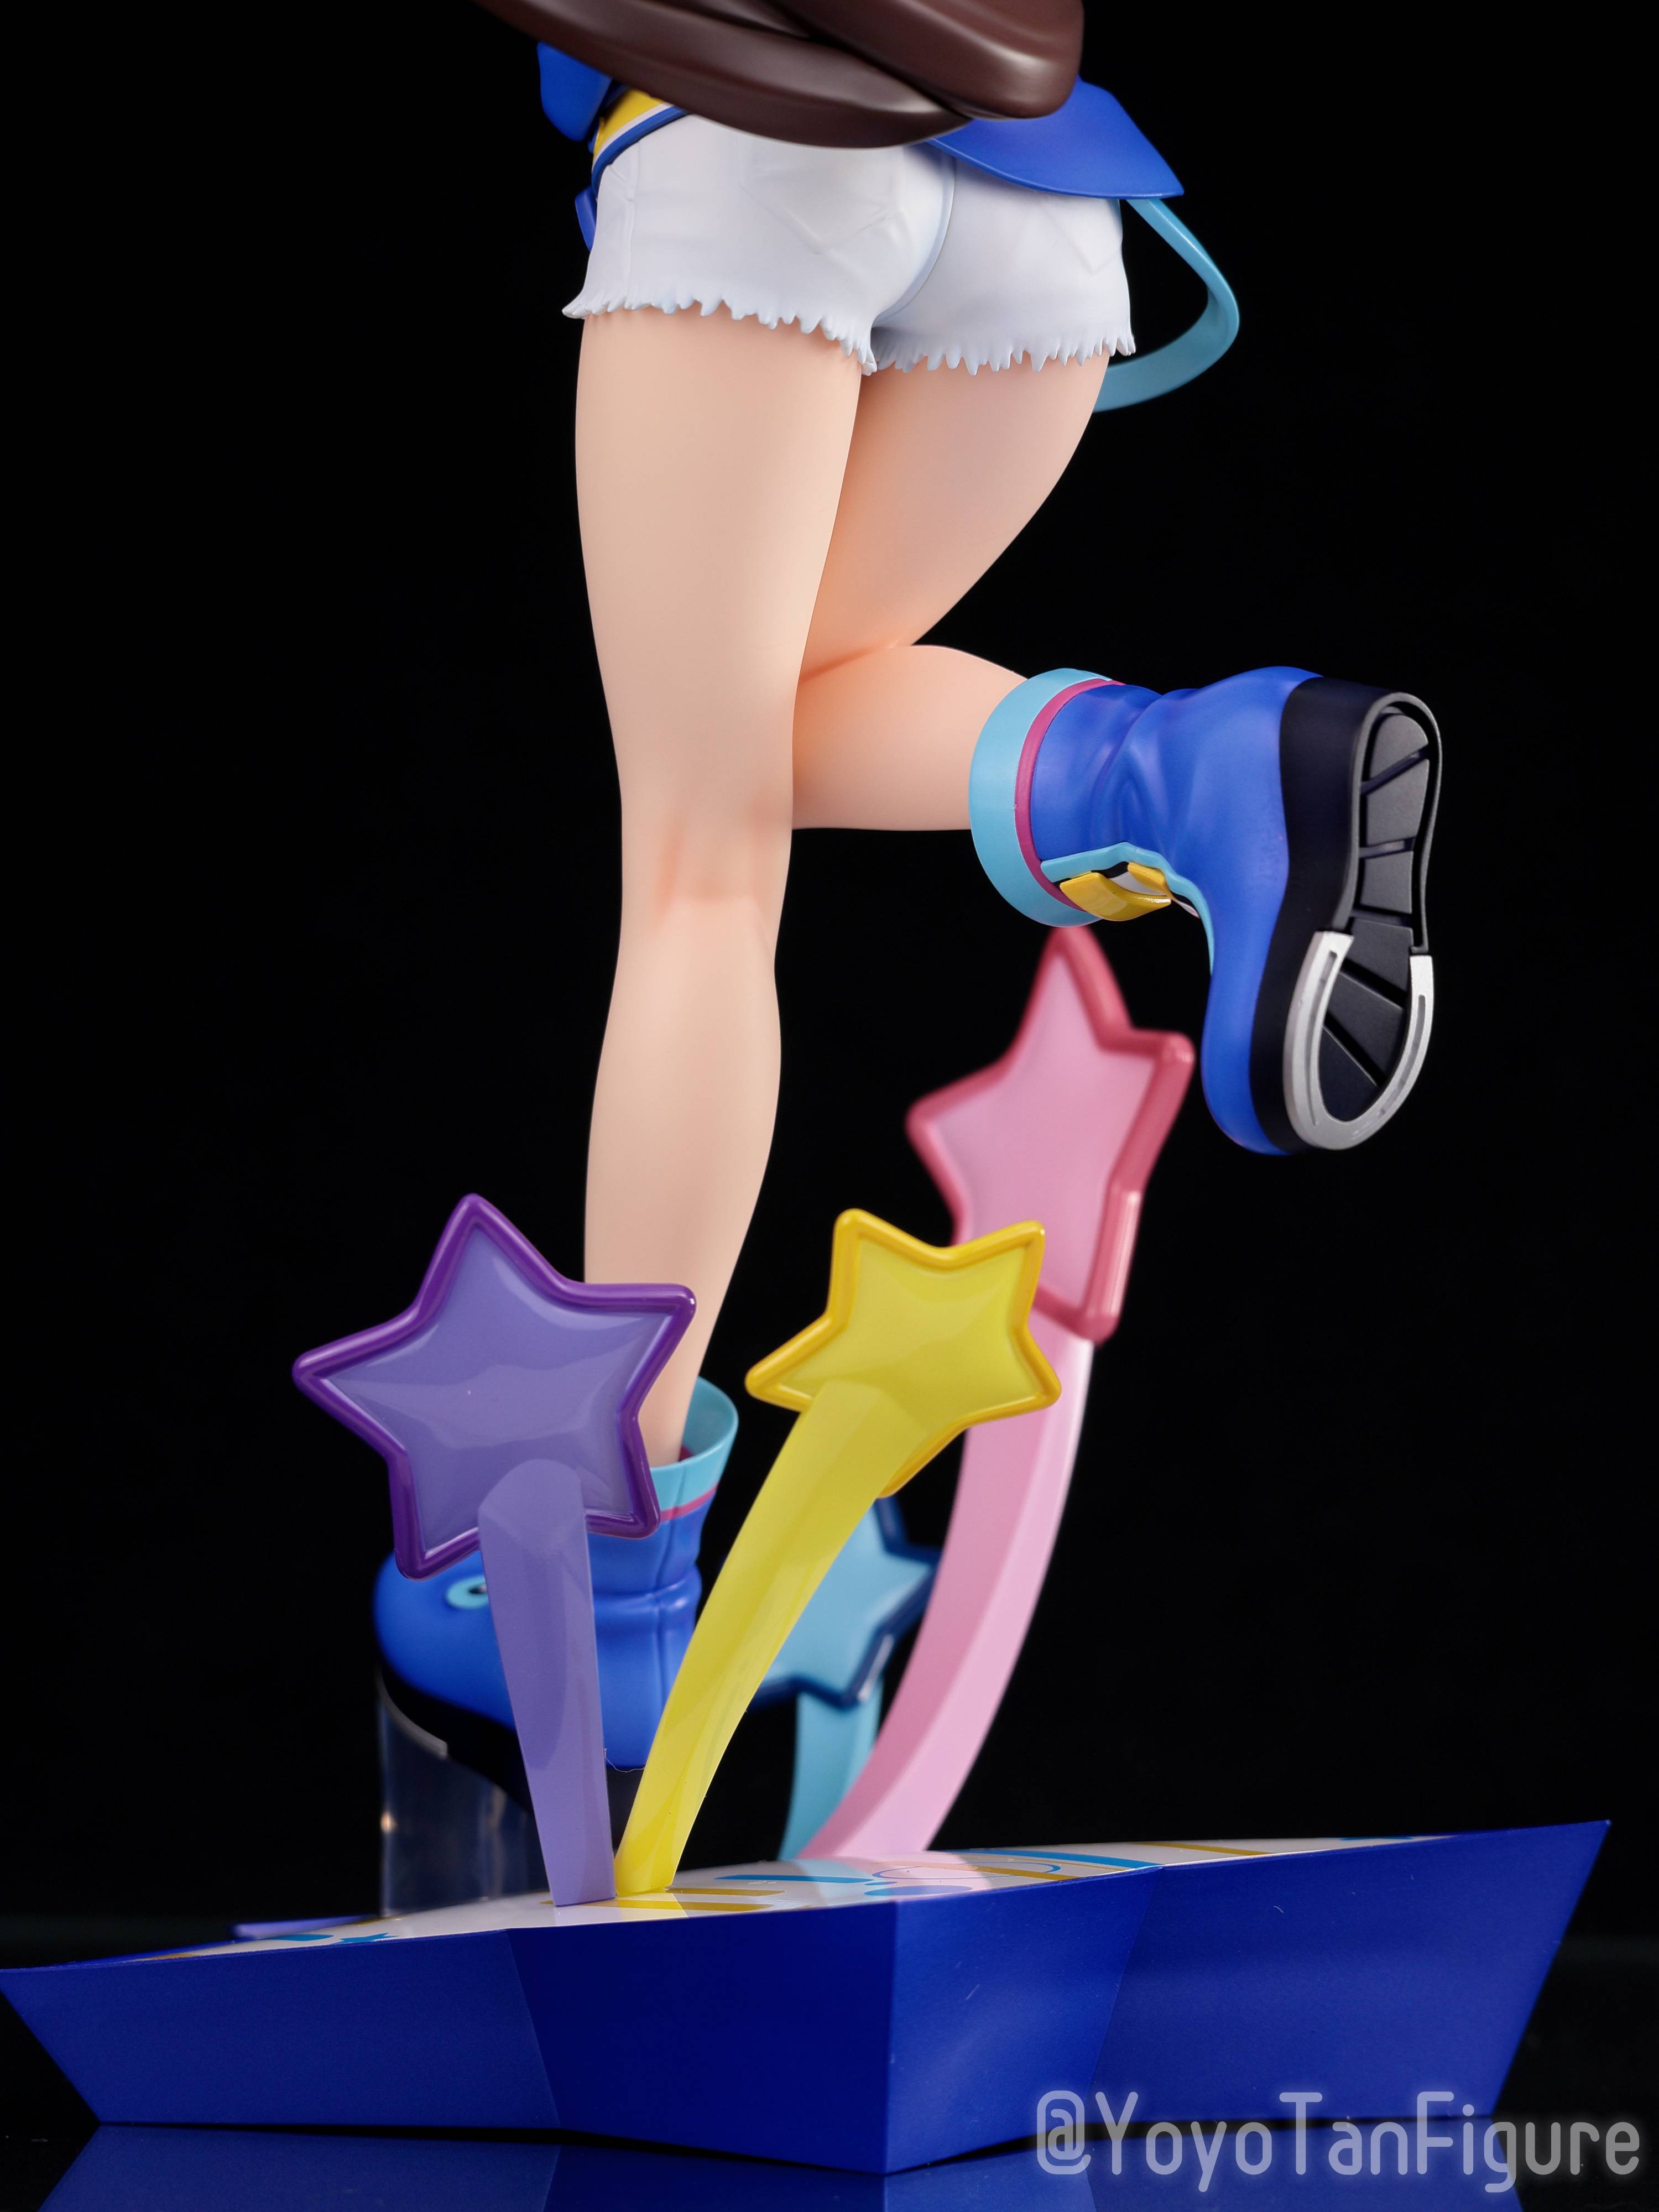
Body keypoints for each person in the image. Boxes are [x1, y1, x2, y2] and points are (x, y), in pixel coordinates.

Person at [521, 18, 1440, 1464]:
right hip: (1049, 199)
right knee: (765, 742)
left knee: (701, 872)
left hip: (748, 145)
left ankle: (616, 1519)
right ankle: (1165, 770)